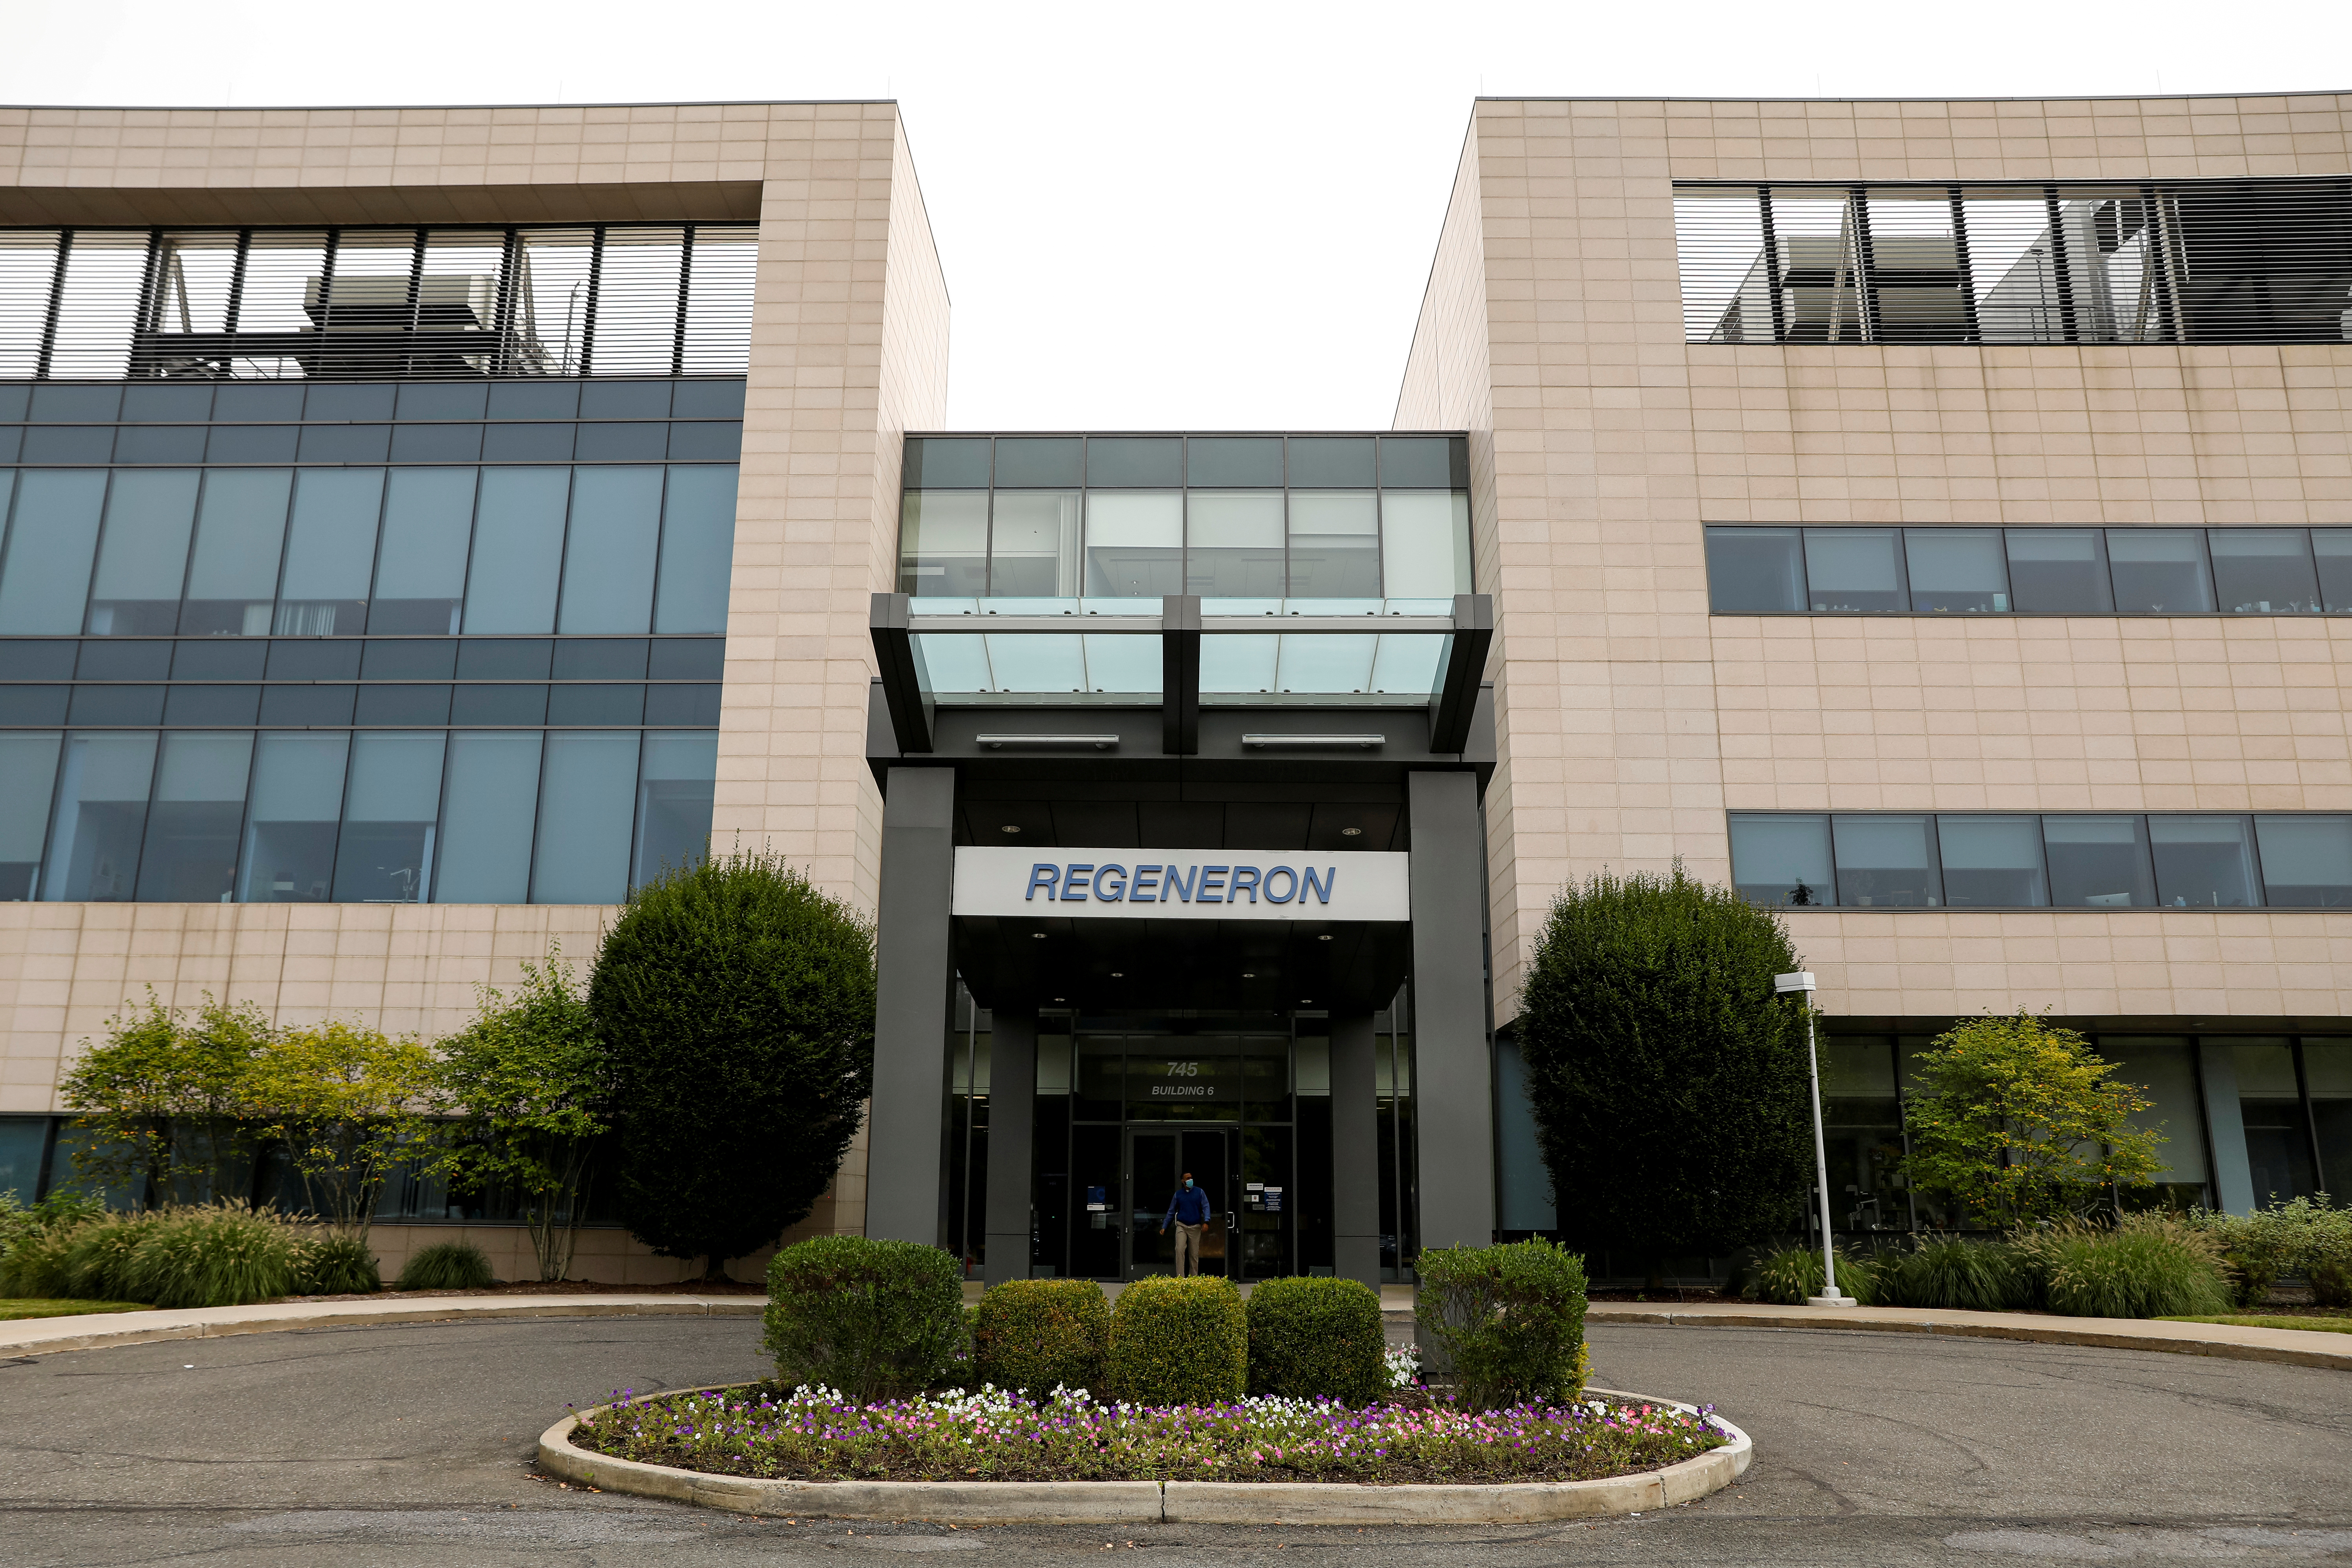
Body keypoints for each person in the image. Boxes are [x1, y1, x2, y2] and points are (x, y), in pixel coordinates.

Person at [1160, 1171, 1214, 1277]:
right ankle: (1180, 1277)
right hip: (1182, 1226)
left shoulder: (1200, 1192)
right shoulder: (1178, 1195)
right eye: (1188, 1178)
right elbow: (1171, 1212)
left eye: (1191, 1178)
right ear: (1183, 1181)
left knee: (1194, 1254)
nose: (1190, 1180)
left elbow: (1206, 1207)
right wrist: (1164, 1227)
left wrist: (1207, 1222)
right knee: (1179, 1250)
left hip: (1195, 1227)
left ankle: (1193, 1277)